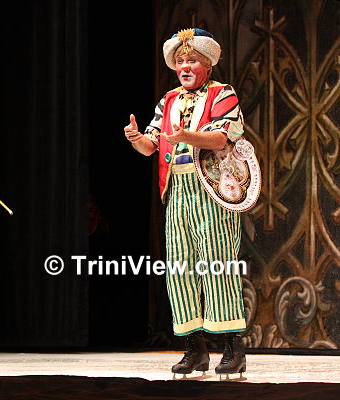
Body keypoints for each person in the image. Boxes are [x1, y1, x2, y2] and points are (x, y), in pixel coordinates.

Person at [124, 28, 247, 379]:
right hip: (176, 188)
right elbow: (150, 146)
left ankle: (233, 348)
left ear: (207, 64)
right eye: (180, 61)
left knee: (217, 263)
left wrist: (186, 136)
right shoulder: (168, 101)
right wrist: (136, 138)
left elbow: (222, 137)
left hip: (212, 188)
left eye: (192, 60)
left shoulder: (223, 93)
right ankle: (195, 348)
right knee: (180, 268)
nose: (185, 67)